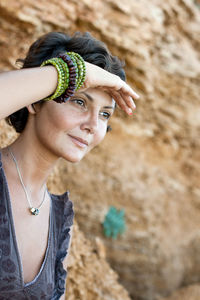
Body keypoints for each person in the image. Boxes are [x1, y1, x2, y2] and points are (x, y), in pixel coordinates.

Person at [0, 31, 139, 300]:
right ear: (34, 100)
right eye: (79, 101)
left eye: (104, 114)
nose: (92, 124)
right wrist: (74, 72)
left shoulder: (59, 219)